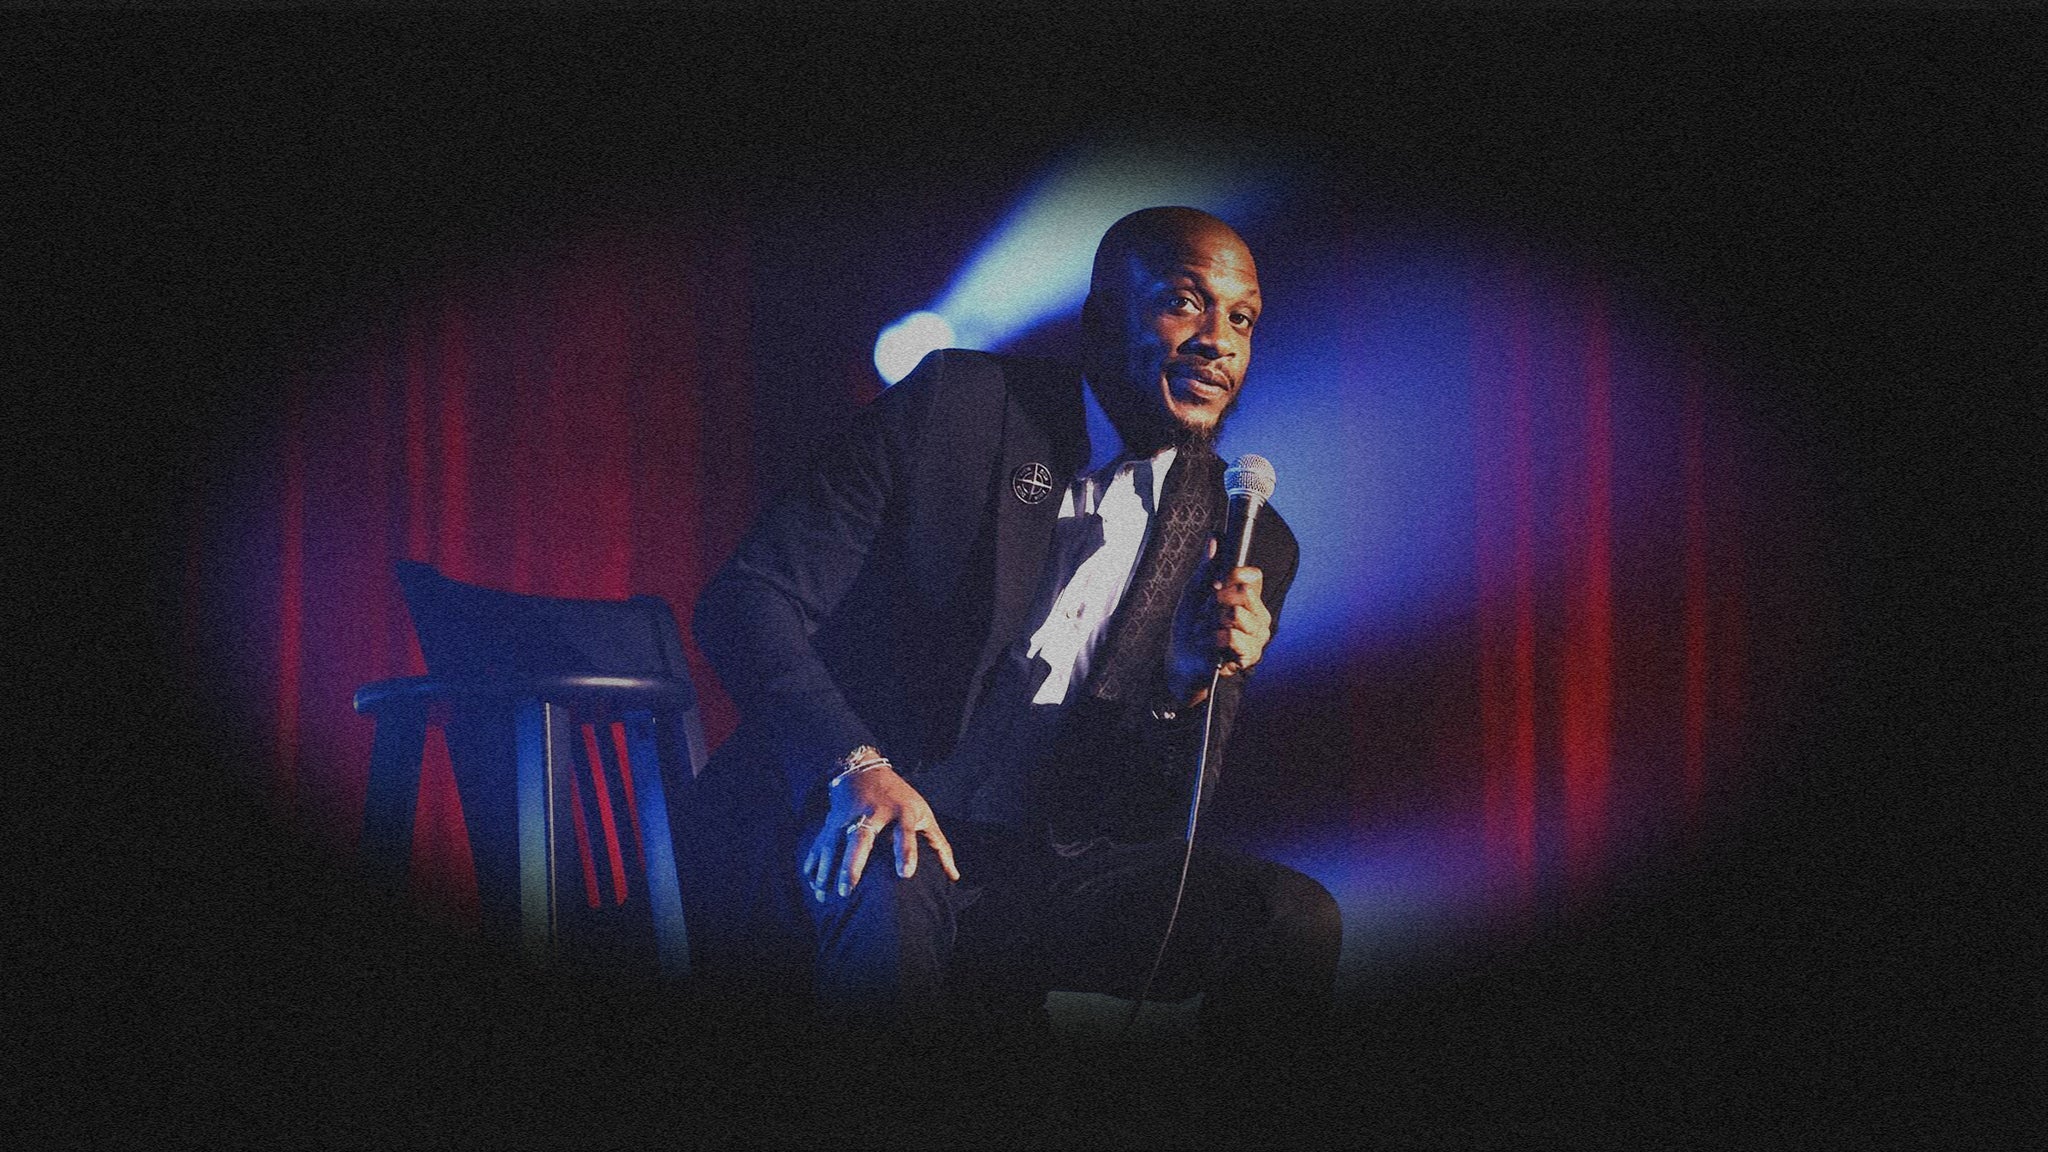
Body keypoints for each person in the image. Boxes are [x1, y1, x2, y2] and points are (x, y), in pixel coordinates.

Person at [681, 207, 1340, 1047]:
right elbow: (747, 600)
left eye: (1242, 319)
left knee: (1290, 920)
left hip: (1037, 870)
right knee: (894, 863)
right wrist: (855, 765)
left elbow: (1154, 820)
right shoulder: (958, 409)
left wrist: (1184, 689)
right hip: (851, 822)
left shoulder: (1244, 541)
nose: (1219, 341)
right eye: (1183, 303)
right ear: (1103, 317)